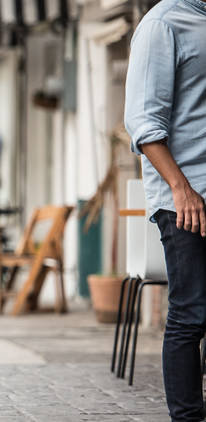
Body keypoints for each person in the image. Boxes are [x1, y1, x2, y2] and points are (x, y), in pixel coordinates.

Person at [124, 1, 206, 420]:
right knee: (192, 312)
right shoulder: (162, 24)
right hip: (186, 199)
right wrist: (181, 188)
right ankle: (187, 417)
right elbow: (142, 122)